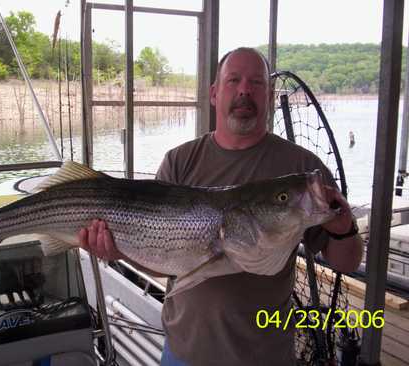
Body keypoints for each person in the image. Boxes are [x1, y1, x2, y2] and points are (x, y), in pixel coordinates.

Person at [78, 47, 363, 366]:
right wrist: (119, 251)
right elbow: (166, 261)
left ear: (269, 95)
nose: (245, 90)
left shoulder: (301, 170)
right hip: (185, 352)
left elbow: (347, 262)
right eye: (234, 80)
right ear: (214, 93)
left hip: (266, 356)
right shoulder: (180, 161)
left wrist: (343, 228)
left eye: (256, 82)